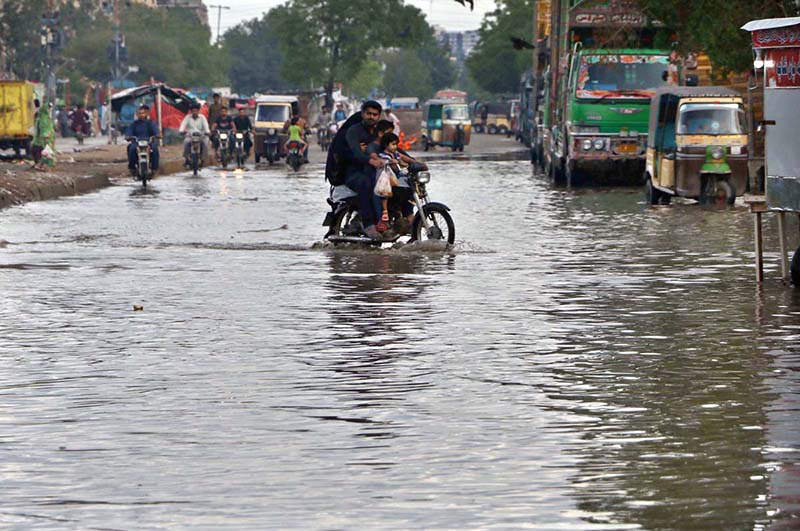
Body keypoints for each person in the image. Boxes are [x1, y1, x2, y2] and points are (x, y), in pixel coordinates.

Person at [344, 100, 384, 239]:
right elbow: (355, 152)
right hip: (353, 173)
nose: (371, 117)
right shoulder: (354, 131)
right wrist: (371, 160)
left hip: (376, 171)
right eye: (368, 113)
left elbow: (394, 146)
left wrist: (411, 160)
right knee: (366, 183)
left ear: (379, 116)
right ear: (362, 114)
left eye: (375, 114)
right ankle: (368, 224)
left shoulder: (380, 132)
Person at [125, 104, 160, 175]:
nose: (141, 115)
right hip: (137, 142)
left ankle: (154, 168)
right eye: (139, 113)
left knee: (155, 149)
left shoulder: (151, 123)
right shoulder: (134, 124)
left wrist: (157, 135)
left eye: (143, 113)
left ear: (146, 113)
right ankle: (132, 167)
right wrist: (128, 136)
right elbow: (129, 131)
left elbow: (156, 131)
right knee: (131, 149)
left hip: (148, 142)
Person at [31, 101, 56, 171]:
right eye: (49, 108)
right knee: (47, 154)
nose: (50, 110)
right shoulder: (44, 119)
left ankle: (40, 165)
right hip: (43, 141)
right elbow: (44, 130)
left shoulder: (43, 117)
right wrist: (46, 140)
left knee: (47, 154)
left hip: (44, 140)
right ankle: (44, 167)